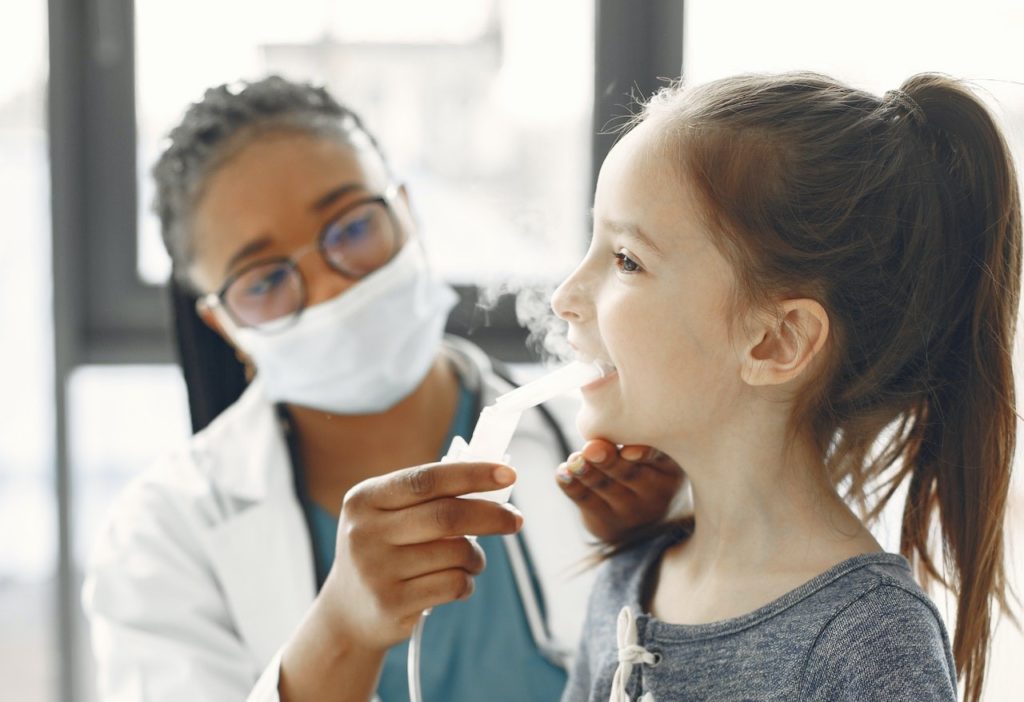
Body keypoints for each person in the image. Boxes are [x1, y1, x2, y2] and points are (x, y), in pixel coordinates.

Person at [81, 76, 685, 702]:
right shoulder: (163, 535)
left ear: (407, 213)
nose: (330, 289)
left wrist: (654, 551)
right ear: (224, 324)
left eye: (351, 229)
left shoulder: (618, 456)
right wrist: (341, 631)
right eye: (264, 281)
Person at [553, 72, 1019, 702]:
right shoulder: (628, 582)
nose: (564, 298)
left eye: (626, 260)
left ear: (776, 342)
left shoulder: (869, 644)